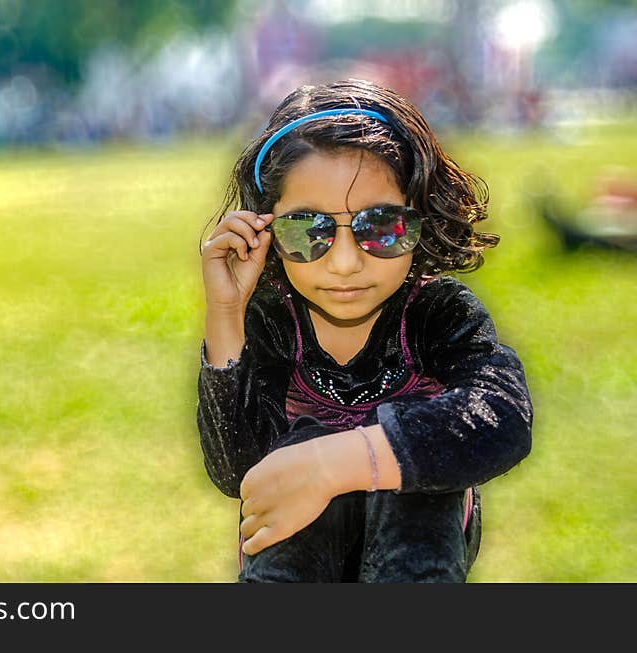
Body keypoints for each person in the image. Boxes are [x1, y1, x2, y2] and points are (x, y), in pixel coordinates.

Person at [196, 79, 533, 583]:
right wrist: (226, 313)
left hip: (416, 552)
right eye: (308, 229)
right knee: (292, 452)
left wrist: (341, 461)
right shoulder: (270, 322)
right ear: (264, 228)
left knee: (414, 465)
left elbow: (505, 416)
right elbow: (235, 470)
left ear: (421, 216)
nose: (346, 263)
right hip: (296, 556)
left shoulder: (436, 314)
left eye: (381, 226)